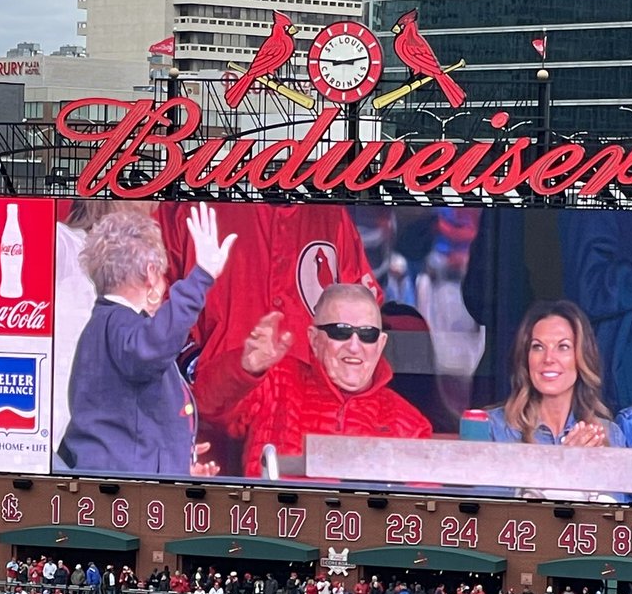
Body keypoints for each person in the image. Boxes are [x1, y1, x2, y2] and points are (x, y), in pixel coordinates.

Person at [57, 204, 235, 478]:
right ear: (151, 273)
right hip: (122, 495)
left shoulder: (104, 326)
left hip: (117, 481)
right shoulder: (120, 325)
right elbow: (152, 348)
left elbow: (131, 420)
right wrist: (201, 277)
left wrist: (177, 463)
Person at [193, 283, 432, 478]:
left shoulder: (409, 424)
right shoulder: (277, 381)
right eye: (340, 331)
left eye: (367, 335)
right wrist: (245, 368)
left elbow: (420, 517)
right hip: (271, 532)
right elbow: (203, 407)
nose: (354, 346)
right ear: (314, 339)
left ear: (380, 345)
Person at [486, 300, 630, 501]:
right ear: (526, 358)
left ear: (581, 358)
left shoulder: (607, 435)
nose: (548, 358)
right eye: (538, 347)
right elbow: (488, 516)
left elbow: (614, 521)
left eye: (563, 347)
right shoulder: (493, 428)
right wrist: (562, 466)